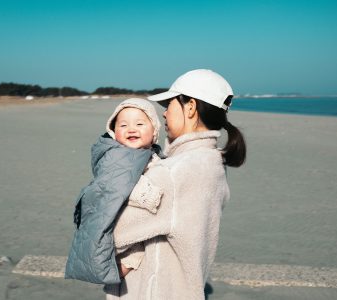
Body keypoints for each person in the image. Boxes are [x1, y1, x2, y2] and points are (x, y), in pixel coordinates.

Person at [105, 69, 247, 299]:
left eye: (169, 104)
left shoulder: (173, 173)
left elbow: (108, 236)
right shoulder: (213, 163)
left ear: (190, 107)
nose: (163, 114)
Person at [65, 98, 164, 284]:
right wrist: (150, 194)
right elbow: (116, 186)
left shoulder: (148, 155)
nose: (131, 129)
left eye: (140, 124)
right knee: (121, 254)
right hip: (116, 225)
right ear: (113, 132)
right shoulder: (117, 156)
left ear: (154, 131)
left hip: (132, 225)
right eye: (123, 125)